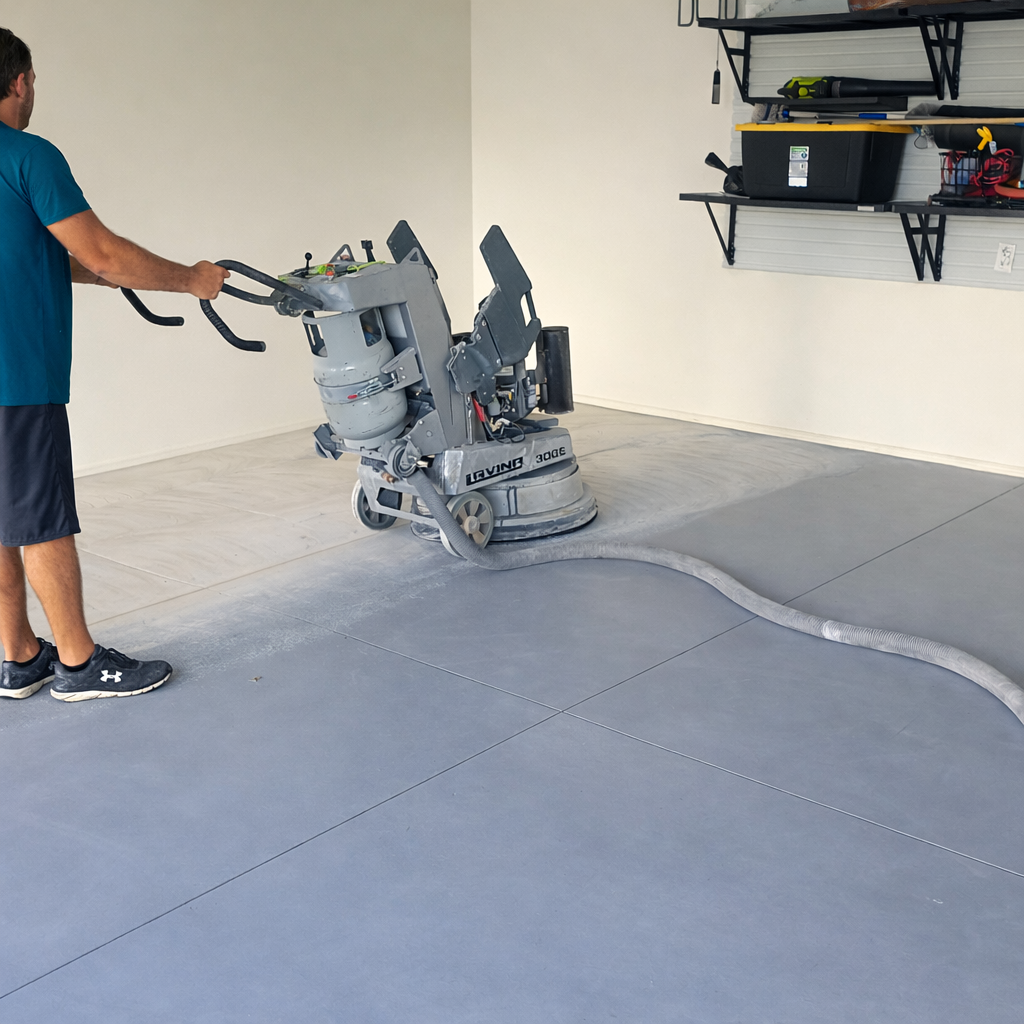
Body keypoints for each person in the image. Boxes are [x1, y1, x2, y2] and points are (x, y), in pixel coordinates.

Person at [0, 28, 229, 702]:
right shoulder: (28, 156)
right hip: (15, 378)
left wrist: (104, 277)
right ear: (20, 82)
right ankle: (76, 663)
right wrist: (190, 278)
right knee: (40, 517)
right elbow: (99, 248)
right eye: (32, 83)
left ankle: (17, 656)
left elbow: (46, 255)